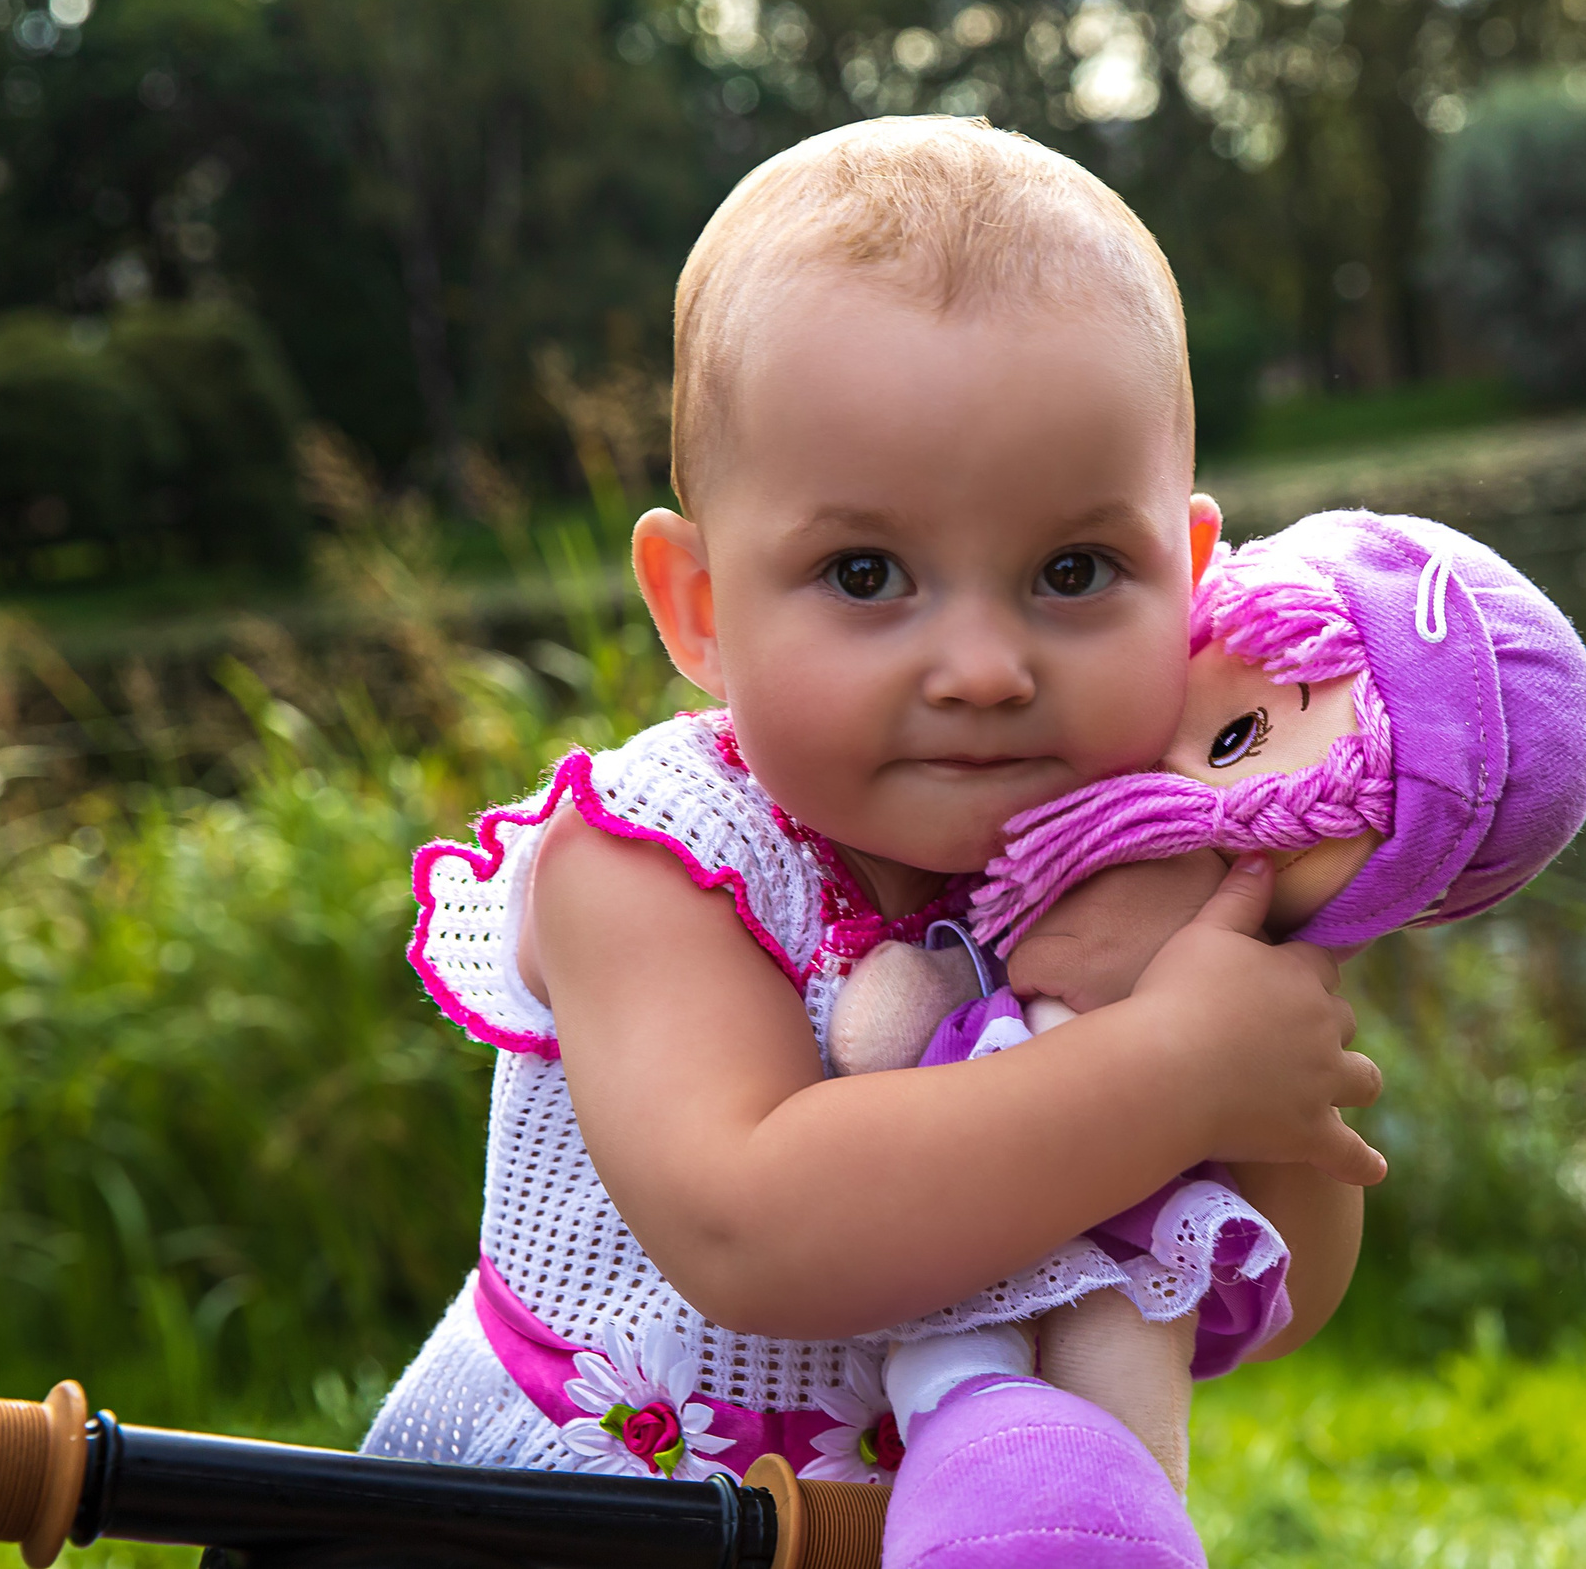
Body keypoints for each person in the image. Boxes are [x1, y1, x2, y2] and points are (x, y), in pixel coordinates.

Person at [362, 115, 1383, 1568]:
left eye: (1074, 570)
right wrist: (1169, 1068)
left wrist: (1269, 1017)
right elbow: (754, 1224)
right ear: (700, 604)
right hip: (577, 1518)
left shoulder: (1136, 869)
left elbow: (1278, 1296)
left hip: (956, 1521)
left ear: (1196, 577)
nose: (981, 665)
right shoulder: (654, 857)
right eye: (866, 572)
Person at [828, 507, 1586, 1493]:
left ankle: (1109, 1516)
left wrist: (1249, 1057)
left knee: (1120, 1375)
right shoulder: (994, 798)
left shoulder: (1253, 968)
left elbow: (1302, 1295)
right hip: (783, 1432)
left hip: (1084, 1302)